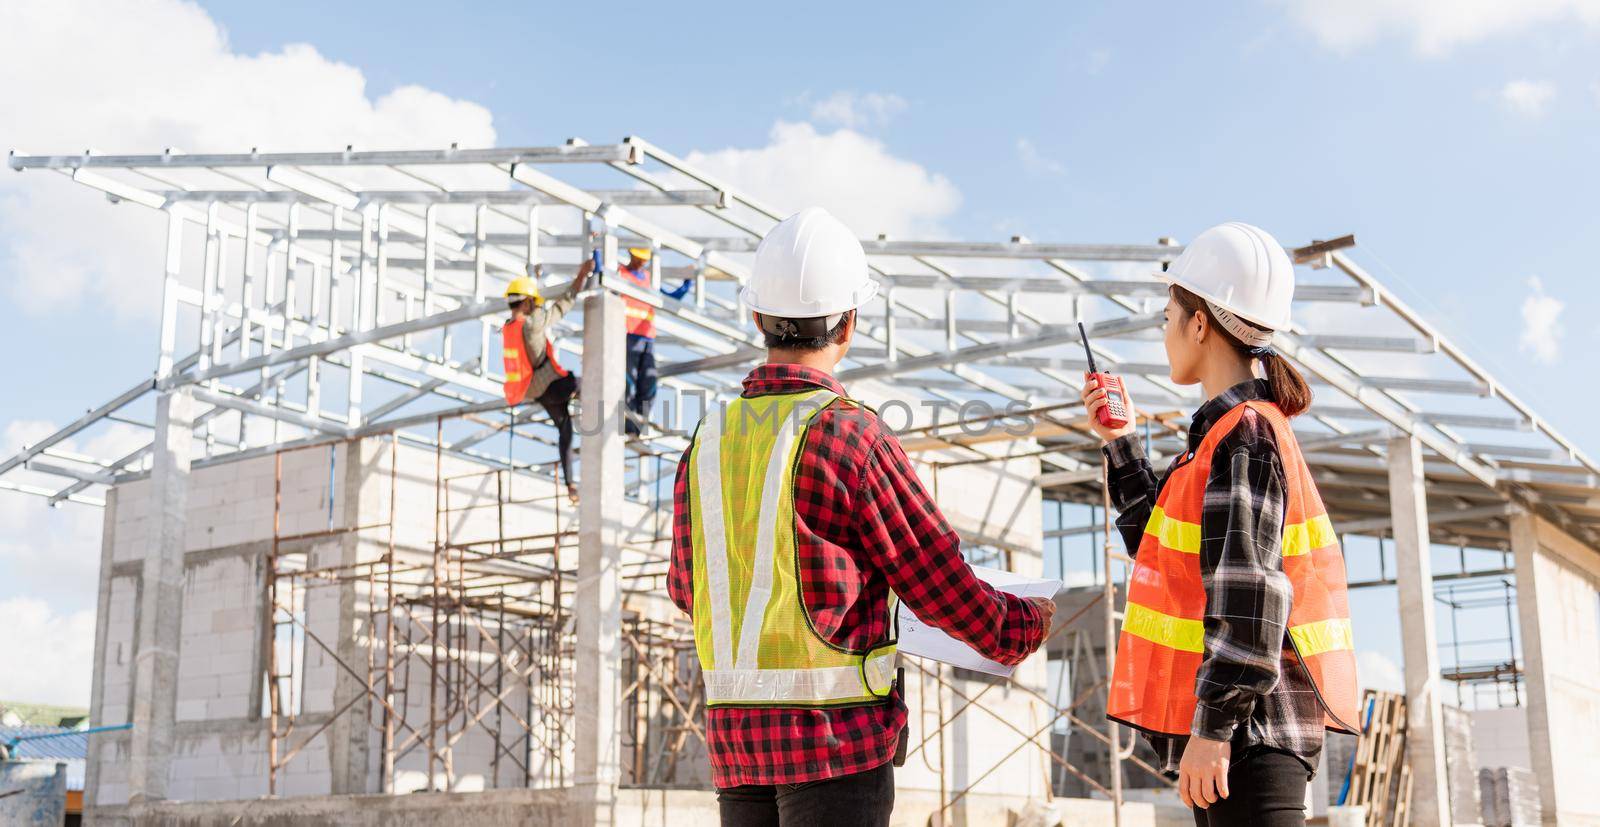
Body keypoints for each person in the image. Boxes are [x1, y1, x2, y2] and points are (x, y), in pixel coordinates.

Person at [667, 208, 1055, 827]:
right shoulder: (852, 436)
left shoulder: (706, 442)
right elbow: (936, 579)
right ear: (849, 322)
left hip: (737, 746)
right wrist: (1019, 627)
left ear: (757, 317)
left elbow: (688, 591)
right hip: (835, 748)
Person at [1082, 222, 1360, 827]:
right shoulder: (1220, 439)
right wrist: (1121, 442)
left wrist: (1213, 729)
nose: (1164, 331)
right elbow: (1159, 553)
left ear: (1200, 324)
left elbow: (1252, 592)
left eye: (1167, 315)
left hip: (1248, 735)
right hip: (1239, 734)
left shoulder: (1244, 436)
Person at [502, 258, 593, 504]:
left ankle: (570, 485)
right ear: (529, 301)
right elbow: (559, 307)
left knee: (565, 431)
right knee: (590, 384)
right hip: (551, 385)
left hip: (535, 391)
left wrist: (537, 280)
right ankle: (622, 426)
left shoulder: (509, 327)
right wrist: (580, 277)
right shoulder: (532, 325)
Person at [615, 246, 693, 435]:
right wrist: (595, 248)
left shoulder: (649, 279)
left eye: (644, 260)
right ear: (631, 256)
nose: (642, 263)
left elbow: (670, 298)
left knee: (649, 383)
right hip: (628, 334)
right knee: (629, 382)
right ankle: (628, 425)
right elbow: (600, 273)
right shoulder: (620, 273)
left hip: (647, 337)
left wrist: (687, 283)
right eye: (639, 258)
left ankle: (637, 427)